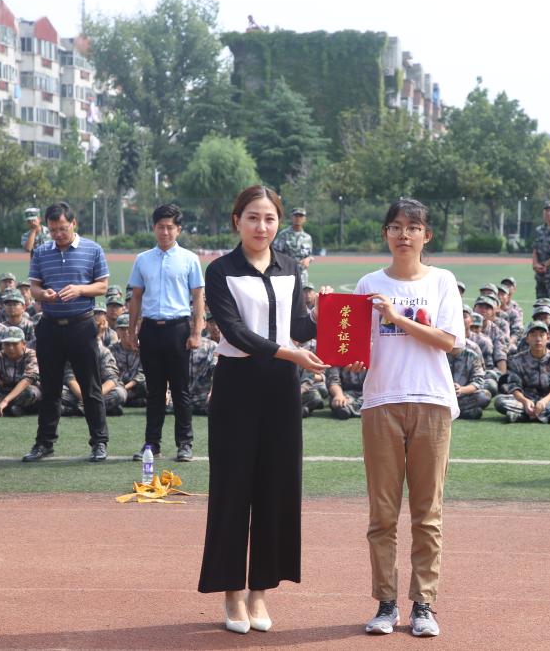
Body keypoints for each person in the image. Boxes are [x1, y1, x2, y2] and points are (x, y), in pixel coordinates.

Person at [198, 185, 326, 635]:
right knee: (232, 488)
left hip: (281, 390)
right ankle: (232, 592)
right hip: (237, 386)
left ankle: (260, 592)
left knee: (277, 488)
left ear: (279, 223)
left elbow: (299, 327)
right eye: (252, 217)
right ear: (237, 220)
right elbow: (234, 332)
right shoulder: (220, 271)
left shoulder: (290, 268)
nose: (261, 226)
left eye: (269, 218)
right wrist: (289, 353)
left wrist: (325, 311)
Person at [346, 198, 463, 638]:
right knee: (382, 514)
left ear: (426, 236)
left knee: (427, 513)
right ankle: (386, 603)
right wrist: (353, 357)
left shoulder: (442, 281)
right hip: (381, 401)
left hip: (431, 401)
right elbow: (357, 344)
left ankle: (423, 605)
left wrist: (397, 317)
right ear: (385, 234)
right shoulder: (368, 283)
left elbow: (448, 340)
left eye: (412, 228)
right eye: (395, 227)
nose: (403, 235)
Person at [23, 201, 111, 463]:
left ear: (74, 224)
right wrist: (44, 295)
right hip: (50, 325)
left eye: (63, 228)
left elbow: (103, 286)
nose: (58, 234)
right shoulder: (41, 252)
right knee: (50, 388)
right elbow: (34, 288)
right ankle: (44, 443)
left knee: (90, 386)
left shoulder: (93, 249)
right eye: (53, 230)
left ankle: (99, 442)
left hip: (82, 325)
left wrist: (80, 289)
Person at [126, 203, 206, 463]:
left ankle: (185, 444)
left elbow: (198, 297)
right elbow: (136, 297)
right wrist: (132, 331)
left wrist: (196, 331)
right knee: (155, 392)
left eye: (170, 227)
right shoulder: (142, 259)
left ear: (178, 229)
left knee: (181, 390)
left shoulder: (190, 259)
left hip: (178, 330)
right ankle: (152, 445)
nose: (165, 232)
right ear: (154, 228)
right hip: (150, 329)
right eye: (160, 227)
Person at [494, 319, 550, 424]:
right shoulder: (516, 360)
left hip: (549, 399)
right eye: (533, 335)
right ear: (527, 339)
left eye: (542, 335)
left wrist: (544, 401)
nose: (538, 339)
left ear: (548, 338)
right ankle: (547, 415)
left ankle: (522, 416)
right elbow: (514, 387)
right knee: (499, 401)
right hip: (526, 398)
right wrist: (524, 401)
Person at [110, 314, 147, 407]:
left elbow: (142, 374)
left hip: (138, 385)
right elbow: (110, 373)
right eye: (122, 329)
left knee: (148, 385)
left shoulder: (143, 348)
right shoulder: (111, 350)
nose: (126, 332)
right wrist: (121, 387)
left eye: (128, 328)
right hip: (118, 386)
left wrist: (125, 388)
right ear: (117, 330)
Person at [273, 206, 314, 287]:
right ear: (291, 217)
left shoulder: (307, 237)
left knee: (303, 294)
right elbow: (275, 254)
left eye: (301, 216)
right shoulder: (283, 235)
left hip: (302, 275)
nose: (298, 218)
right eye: (296, 216)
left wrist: (309, 259)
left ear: (305, 219)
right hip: (286, 273)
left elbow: (309, 255)